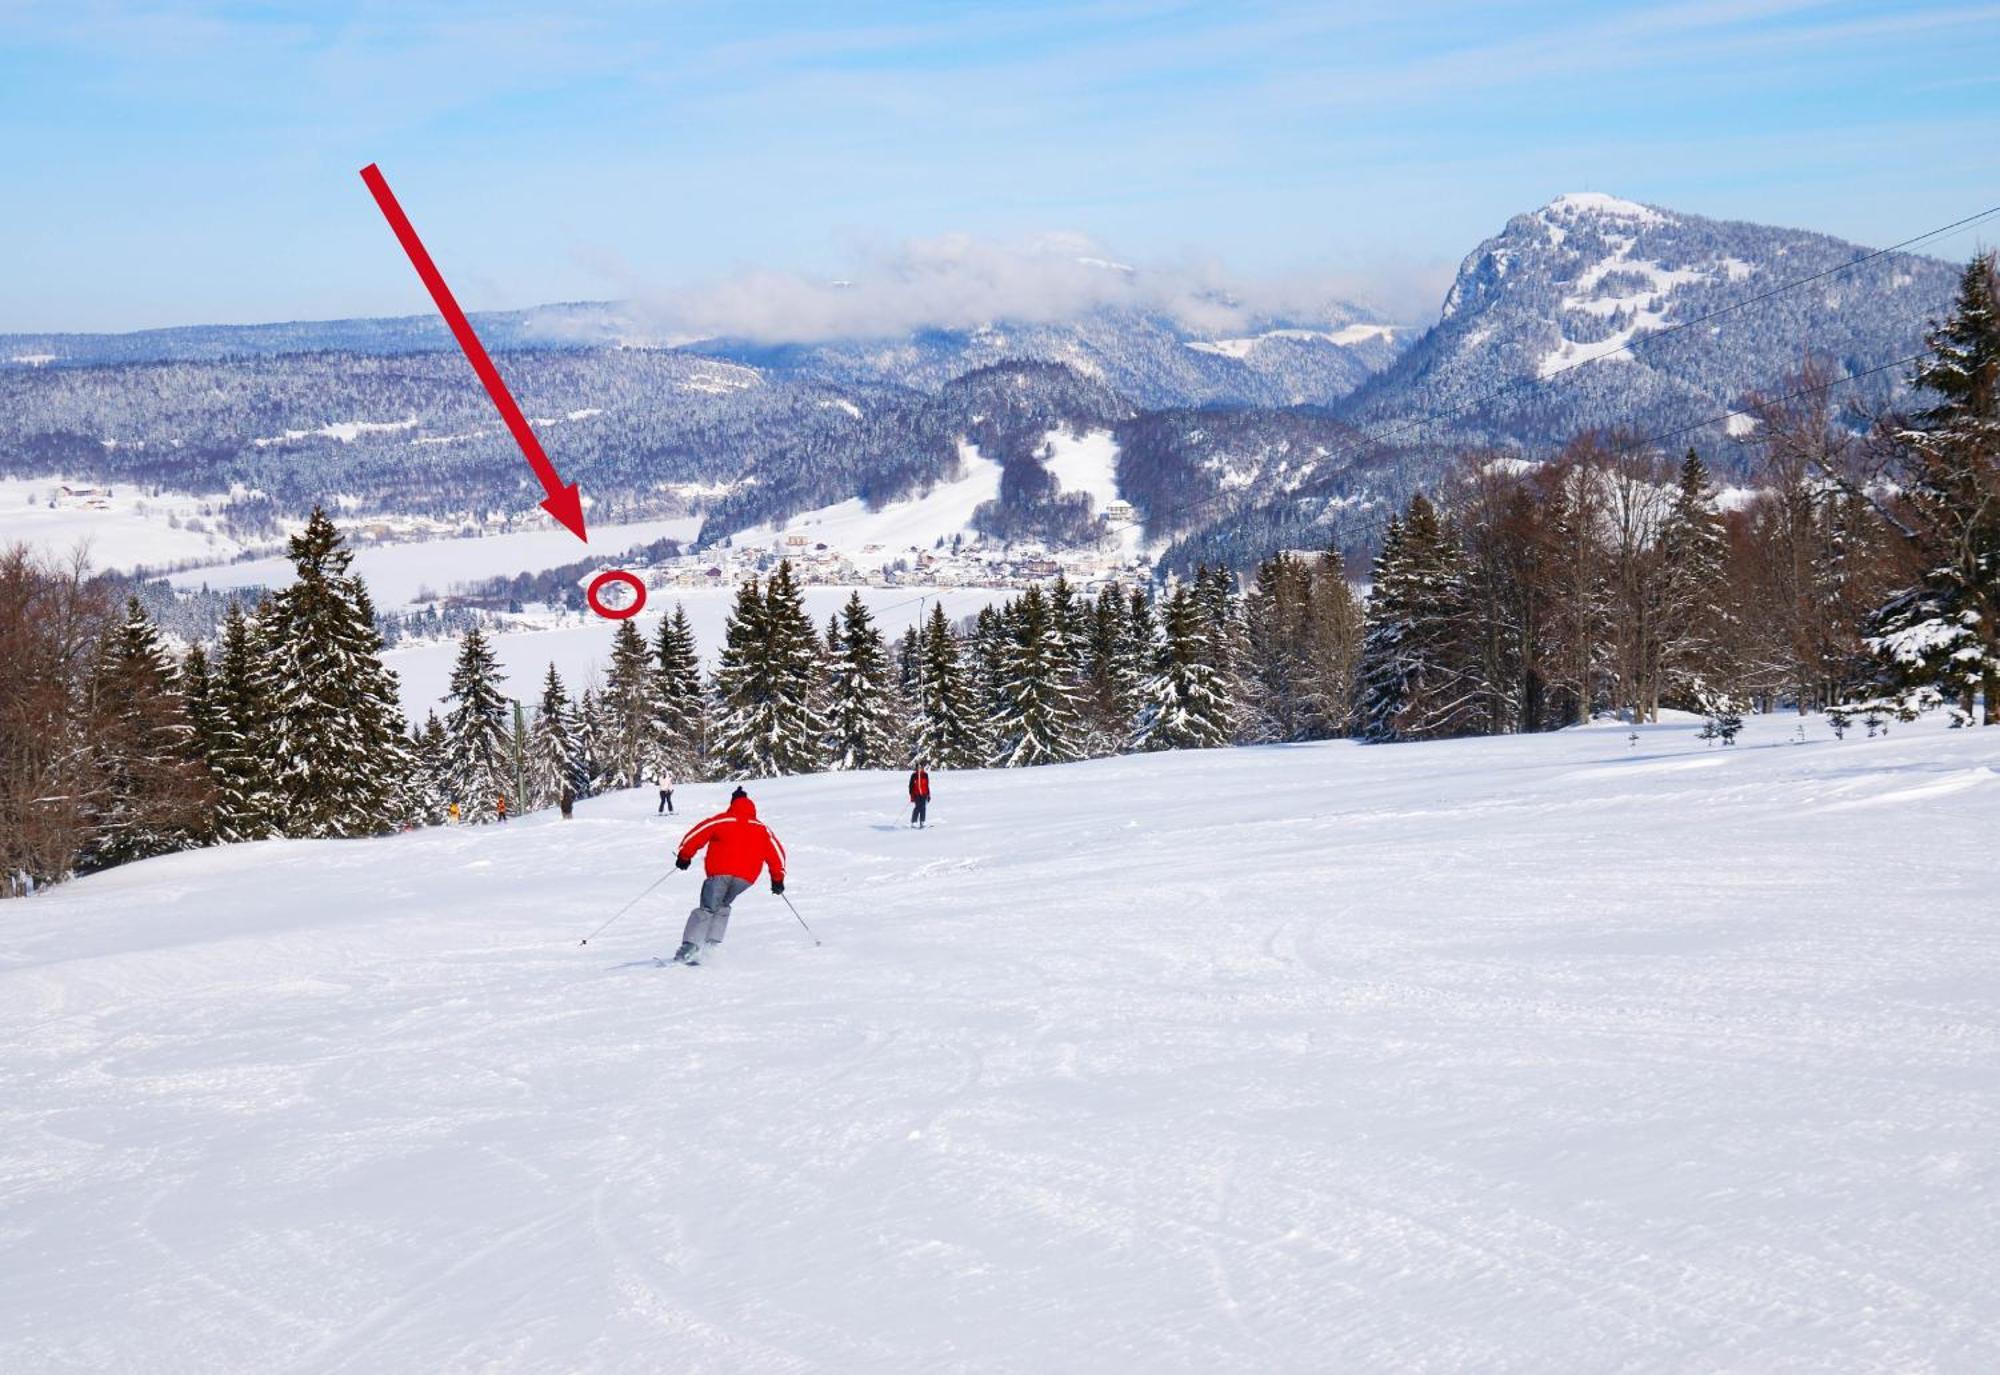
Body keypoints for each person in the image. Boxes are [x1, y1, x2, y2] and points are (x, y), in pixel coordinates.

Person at [670, 786, 787, 965]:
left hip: (720, 873)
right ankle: (710, 947)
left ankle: (689, 949)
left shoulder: (723, 820)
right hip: (745, 879)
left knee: (708, 907)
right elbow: (777, 853)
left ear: (733, 803)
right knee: (722, 905)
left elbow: (698, 834)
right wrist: (777, 879)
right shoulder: (762, 828)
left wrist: (685, 856)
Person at [908, 761, 931, 829]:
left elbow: (927, 786)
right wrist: (912, 796)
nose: (920, 768)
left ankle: (922, 822)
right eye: (918, 767)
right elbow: (911, 786)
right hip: (916, 794)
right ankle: (914, 822)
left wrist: (928, 795)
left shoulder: (925, 775)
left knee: (923, 808)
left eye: (921, 767)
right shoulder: (914, 775)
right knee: (917, 807)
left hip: (924, 794)